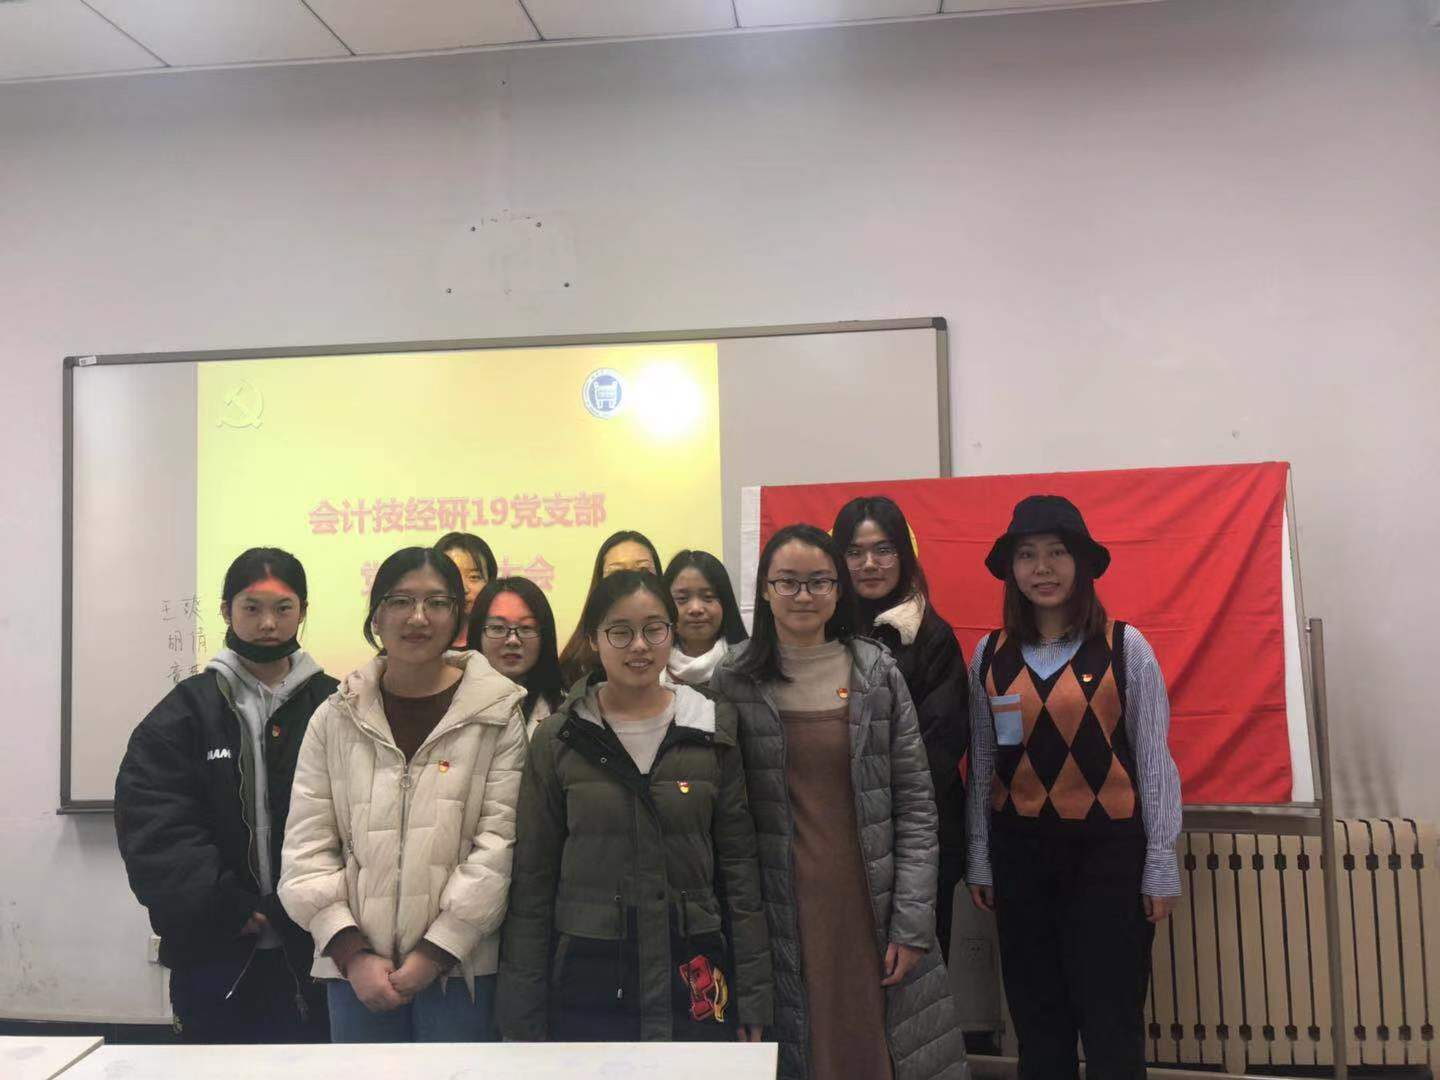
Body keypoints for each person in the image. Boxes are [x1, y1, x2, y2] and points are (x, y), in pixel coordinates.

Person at [712, 524, 966, 1080]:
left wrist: (912, 922)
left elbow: (917, 806)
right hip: (780, 908)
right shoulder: (732, 679)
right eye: (788, 582)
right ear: (765, 590)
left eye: (819, 582)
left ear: (837, 589)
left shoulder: (876, 672)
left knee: (878, 1048)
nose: (803, 595)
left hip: (873, 902)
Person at [498, 570, 771, 1043]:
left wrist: (753, 995)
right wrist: (521, 1018)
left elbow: (740, 871)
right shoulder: (560, 738)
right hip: (589, 973)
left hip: (695, 969)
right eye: (620, 632)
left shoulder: (711, 727)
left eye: (653, 629)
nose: (639, 646)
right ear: (594, 638)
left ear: (672, 631)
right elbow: (533, 883)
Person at [965, 495, 1182, 1080]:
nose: (1043, 568)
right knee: (1038, 1024)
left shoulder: (1126, 646)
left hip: (1108, 857)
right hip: (1020, 855)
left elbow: (1155, 761)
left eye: (1058, 552)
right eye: (1027, 555)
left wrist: (1161, 861)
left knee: (1112, 1020)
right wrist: (980, 854)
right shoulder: (988, 655)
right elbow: (982, 763)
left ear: (1082, 564)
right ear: (1011, 569)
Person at [278, 547, 527, 1043]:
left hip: (460, 971)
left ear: (457, 617)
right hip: (354, 973)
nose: (418, 617)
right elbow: (307, 846)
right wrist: (351, 952)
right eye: (400, 601)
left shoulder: (497, 715)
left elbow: (498, 846)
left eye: (436, 602)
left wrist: (436, 951)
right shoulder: (336, 716)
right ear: (376, 616)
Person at [115, 547, 335, 1044]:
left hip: (320, 951)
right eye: (251, 607)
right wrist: (227, 907)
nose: (268, 623)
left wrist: (306, 905)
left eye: (283, 608)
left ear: (303, 610)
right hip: (215, 953)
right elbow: (153, 825)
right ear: (225, 611)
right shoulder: (184, 712)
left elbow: (359, 822)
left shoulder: (336, 704)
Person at [831, 496, 969, 961]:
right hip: (837, 837)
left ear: (904, 556)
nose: (869, 564)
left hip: (916, 840)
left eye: (883, 549)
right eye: (854, 552)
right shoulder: (819, 635)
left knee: (916, 975)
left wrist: (875, 806)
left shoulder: (932, 637)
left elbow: (940, 747)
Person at [557, 530, 662, 686]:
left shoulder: (677, 656)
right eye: (617, 574)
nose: (631, 583)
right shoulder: (575, 667)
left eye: (643, 571)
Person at [469, 576, 564, 739]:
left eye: (526, 628)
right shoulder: (452, 703)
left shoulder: (566, 714)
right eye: (498, 628)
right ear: (477, 633)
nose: (512, 640)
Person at [661, 549, 748, 689]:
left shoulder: (749, 665)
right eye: (682, 598)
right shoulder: (652, 667)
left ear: (725, 602)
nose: (696, 609)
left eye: (708, 597)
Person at [434, 532, 498, 648]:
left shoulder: (499, 642)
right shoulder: (419, 642)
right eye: (452, 576)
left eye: (474, 577)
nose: (463, 588)